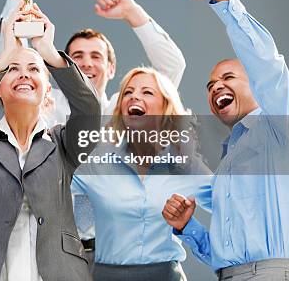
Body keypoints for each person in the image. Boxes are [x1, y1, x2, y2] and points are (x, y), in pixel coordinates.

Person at [0, 0, 187, 267]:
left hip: (122, 251)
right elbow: (7, 56)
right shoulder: (47, 109)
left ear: (111, 67)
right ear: (59, 66)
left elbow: (172, 67)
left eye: (95, 56)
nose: (86, 63)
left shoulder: (127, 111)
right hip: (61, 251)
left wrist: (132, 13)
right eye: (77, 57)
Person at [162, 0, 289, 280]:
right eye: (210, 85)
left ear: (256, 87)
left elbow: (268, 65)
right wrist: (187, 228)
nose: (216, 86)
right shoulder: (230, 160)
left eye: (228, 78)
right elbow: (227, 255)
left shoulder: (284, 126)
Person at [0, 5, 101, 280]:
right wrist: (1, 58)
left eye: (33, 69)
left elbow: (89, 110)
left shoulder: (63, 145)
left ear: (46, 90)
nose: (23, 74)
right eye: (12, 69)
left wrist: (50, 53)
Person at [72, 66, 212, 281]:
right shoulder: (96, 161)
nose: (134, 96)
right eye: (128, 92)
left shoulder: (185, 165)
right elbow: (50, 186)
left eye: (147, 92)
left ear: (165, 106)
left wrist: (188, 227)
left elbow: (231, 207)